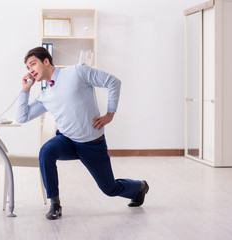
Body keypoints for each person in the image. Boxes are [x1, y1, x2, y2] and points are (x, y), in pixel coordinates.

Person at [16, 47, 149, 220]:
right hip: (67, 141)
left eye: (32, 64)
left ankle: (139, 187)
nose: (30, 70)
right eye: (27, 68)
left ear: (46, 61)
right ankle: (55, 204)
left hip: (92, 145)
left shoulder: (77, 72)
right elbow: (22, 116)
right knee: (46, 151)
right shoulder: (45, 95)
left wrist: (110, 114)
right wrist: (25, 90)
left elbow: (113, 82)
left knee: (109, 189)